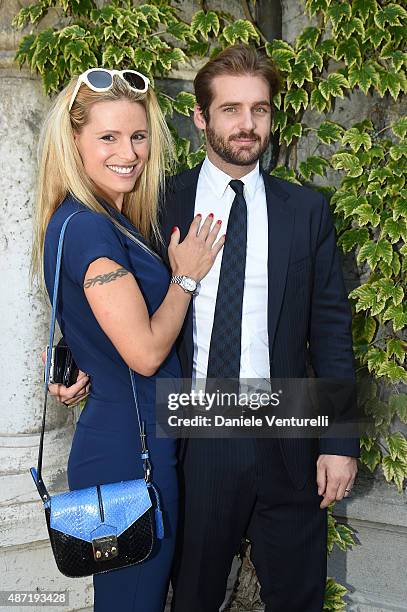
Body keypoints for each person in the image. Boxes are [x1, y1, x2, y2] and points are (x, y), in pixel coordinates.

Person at [49, 45, 359, 612]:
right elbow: (120, 301)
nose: (247, 125)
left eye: (260, 110)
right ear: (200, 117)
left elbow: (332, 329)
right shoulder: (154, 200)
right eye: (231, 109)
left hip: (287, 430)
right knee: (191, 595)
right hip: (194, 437)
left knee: (300, 596)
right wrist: (80, 356)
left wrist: (339, 442)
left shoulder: (305, 211)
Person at [33, 68, 224, 612]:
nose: (129, 152)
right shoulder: (90, 227)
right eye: (108, 137)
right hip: (129, 450)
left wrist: (82, 360)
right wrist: (185, 278)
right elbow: (143, 352)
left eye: (138, 136)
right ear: (75, 142)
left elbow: (94, 320)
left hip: (135, 436)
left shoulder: (90, 220)